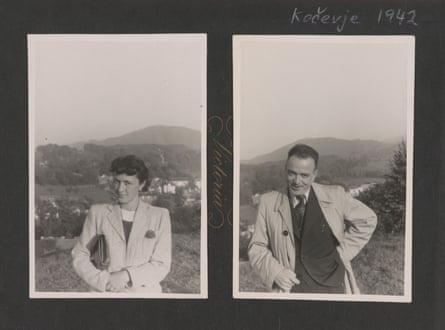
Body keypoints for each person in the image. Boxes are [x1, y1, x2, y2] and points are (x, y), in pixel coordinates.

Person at [248, 144, 377, 294]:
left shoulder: (335, 196)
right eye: (292, 173)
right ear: (285, 170)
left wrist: (341, 254)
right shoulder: (267, 203)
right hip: (291, 289)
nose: (297, 181)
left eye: (304, 175)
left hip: (332, 286)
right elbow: (256, 248)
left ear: (314, 174)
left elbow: (368, 219)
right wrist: (276, 272)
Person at [72, 155, 171, 293]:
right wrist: (103, 281)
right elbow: (80, 254)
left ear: (141, 184)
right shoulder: (97, 213)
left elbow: (161, 265)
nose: (120, 188)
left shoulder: (160, 216)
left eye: (127, 183)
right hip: (103, 294)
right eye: (117, 182)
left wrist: (126, 276)